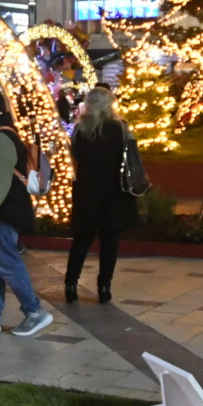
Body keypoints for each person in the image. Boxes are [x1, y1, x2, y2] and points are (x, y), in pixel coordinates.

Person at [0, 83, 52, 336]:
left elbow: (2, 181)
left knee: (6, 262)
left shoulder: (1, 136)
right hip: (0, 210)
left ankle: (34, 311)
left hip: (4, 211)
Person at [63, 85, 139, 304]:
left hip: (88, 190)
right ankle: (104, 286)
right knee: (110, 239)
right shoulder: (120, 128)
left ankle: (71, 283)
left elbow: (76, 156)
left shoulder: (80, 130)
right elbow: (130, 155)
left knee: (82, 238)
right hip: (113, 190)